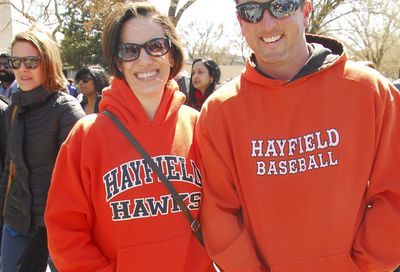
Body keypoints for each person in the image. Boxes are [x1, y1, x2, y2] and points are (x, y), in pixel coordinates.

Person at [197, 0, 400, 271]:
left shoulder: (371, 91)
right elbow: (218, 213)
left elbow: (394, 195)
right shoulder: (219, 111)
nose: (267, 23)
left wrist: (364, 267)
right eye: (251, 11)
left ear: (306, 11)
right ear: (240, 21)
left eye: (281, 6)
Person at [45, 2, 214, 272]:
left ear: (171, 55)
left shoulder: (198, 126)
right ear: (118, 63)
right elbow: (65, 232)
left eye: (156, 46)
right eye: (130, 50)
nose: (144, 59)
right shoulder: (86, 137)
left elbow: (223, 215)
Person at [0, 25, 85, 272]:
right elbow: (9, 168)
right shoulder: (14, 107)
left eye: (31, 61)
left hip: (55, 228)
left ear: (47, 62)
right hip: (15, 223)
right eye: (16, 61)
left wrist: (44, 234)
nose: (22, 69)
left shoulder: (67, 111)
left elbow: (77, 183)